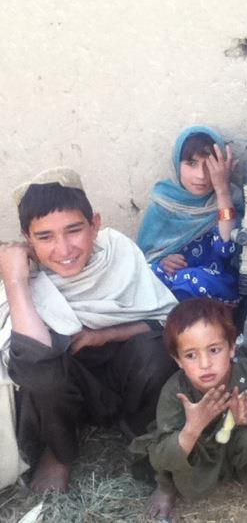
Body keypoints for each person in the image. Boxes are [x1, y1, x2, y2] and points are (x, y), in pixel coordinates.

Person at [0, 167, 178, 492]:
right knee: (41, 368)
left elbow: (164, 318)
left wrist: (102, 334)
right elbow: (30, 366)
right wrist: (15, 282)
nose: (64, 249)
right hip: (66, 390)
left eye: (73, 230)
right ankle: (59, 451)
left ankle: (141, 427)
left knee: (158, 349)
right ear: (28, 241)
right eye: (45, 237)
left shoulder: (116, 252)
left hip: (122, 372)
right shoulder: (26, 277)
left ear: (94, 225)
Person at [131, 298, 247, 519]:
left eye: (214, 350)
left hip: (236, 440)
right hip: (197, 449)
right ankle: (166, 489)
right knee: (169, 448)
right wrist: (192, 429)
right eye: (191, 355)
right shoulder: (175, 392)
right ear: (177, 360)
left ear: (232, 348)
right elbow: (161, 454)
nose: (205, 364)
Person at [137, 125, 244, 304]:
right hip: (171, 282)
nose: (201, 175)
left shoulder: (228, 200)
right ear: (177, 165)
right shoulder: (164, 204)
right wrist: (164, 261)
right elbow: (144, 260)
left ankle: (169, 323)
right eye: (191, 164)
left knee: (192, 279)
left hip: (213, 286)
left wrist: (222, 191)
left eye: (209, 165)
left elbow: (227, 249)